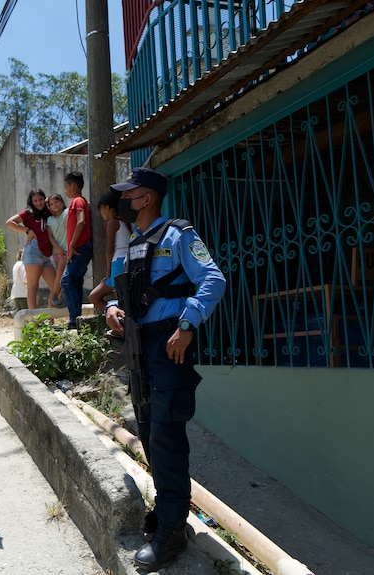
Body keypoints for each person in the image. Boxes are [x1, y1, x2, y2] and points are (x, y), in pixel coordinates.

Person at [103, 167, 225, 571]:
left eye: (129, 194)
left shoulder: (178, 234)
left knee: (168, 433)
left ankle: (172, 530)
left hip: (170, 342)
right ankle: (168, 511)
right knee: (149, 429)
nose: (123, 201)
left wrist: (187, 325)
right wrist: (110, 308)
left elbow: (212, 278)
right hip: (140, 345)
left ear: (147, 198)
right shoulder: (136, 243)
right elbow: (114, 288)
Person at [5, 189, 57, 309]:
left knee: (56, 286)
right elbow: (9, 222)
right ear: (31, 202)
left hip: (46, 254)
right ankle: (33, 323)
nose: (38, 203)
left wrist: (48, 201)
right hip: (33, 251)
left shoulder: (47, 212)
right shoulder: (28, 213)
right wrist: (27, 230)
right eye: (35, 201)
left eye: (41, 200)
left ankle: (50, 319)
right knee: (33, 287)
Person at [60, 171, 93, 329]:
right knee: (75, 282)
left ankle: (74, 320)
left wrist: (72, 246)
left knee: (66, 281)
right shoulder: (80, 201)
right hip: (80, 247)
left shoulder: (77, 201)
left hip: (79, 248)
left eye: (66, 186)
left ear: (73, 185)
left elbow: (81, 222)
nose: (65, 190)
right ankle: (78, 320)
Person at [89, 190, 130, 312]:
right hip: (125, 261)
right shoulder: (124, 222)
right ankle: (115, 320)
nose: (101, 213)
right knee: (94, 296)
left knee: (120, 300)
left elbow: (109, 250)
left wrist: (108, 271)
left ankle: (121, 326)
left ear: (106, 206)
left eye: (101, 208)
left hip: (117, 262)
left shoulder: (112, 222)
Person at [46, 194, 68, 307]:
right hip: (58, 252)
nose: (54, 205)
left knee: (61, 275)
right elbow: (50, 236)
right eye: (51, 204)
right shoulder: (49, 220)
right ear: (49, 207)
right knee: (59, 274)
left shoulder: (67, 213)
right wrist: (58, 248)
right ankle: (54, 296)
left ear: (62, 202)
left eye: (56, 202)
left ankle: (54, 298)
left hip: (67, 250)